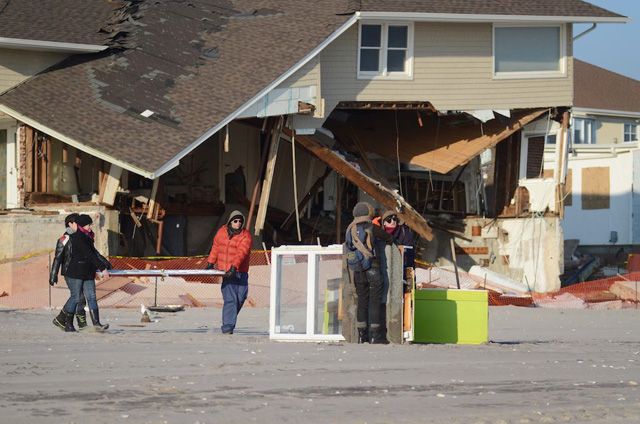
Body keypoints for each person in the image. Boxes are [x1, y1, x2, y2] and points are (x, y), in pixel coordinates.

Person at [345, 202, 392, 344]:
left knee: (362, 301)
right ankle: (374, 336)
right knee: (375, 301)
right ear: (368, 213)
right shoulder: (371, 227)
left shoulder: (349, 229)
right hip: (373, 267)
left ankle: (361, 335)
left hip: (357, 269)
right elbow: (389, 238)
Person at [57, 214, 112, 332]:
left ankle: (97, 324)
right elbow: (90, 254)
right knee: (76, 297)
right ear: (81, 225)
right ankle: (66, 322)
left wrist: (105, 264)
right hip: (76, 272)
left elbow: (94, 253)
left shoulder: (88, 236)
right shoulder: (78, 237)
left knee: (92, 297)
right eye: (88, 225)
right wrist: (102, 268)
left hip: (88, 272)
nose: (90, 227)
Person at [205, 210, 252, 334]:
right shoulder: (221, 233)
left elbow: (241, 253)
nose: (237, 223)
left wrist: (234, 267)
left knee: (241, 297)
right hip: (226, 272)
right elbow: (216, 247)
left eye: (240, 221)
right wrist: (210, 262)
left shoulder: (245, 236)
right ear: (230, 221)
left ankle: (229, 317)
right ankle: (227, 327)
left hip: (240, 272)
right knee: (230, 299)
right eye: (235, 221)